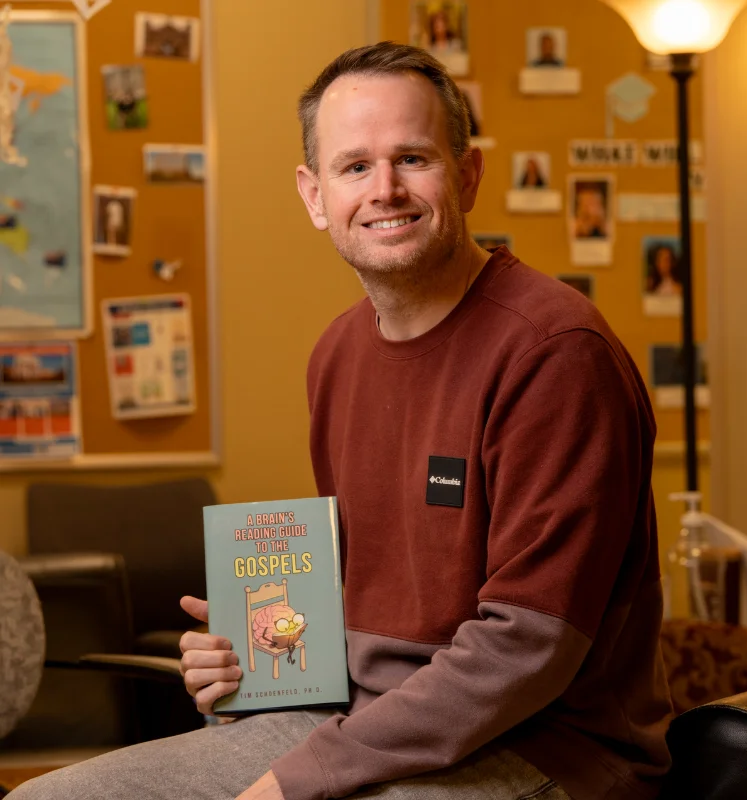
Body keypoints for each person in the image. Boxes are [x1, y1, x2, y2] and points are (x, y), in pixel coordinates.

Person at [10, 41, 672, 800]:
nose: (384, 188)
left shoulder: (556, 353)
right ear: (315, 194)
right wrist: (252, 665)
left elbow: (526, 647)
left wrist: (303, 779)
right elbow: (351, 600)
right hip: (358, 720)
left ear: (469, 173)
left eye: (413, 158)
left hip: (549, 748)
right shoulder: (336, 354)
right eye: (354, 166)